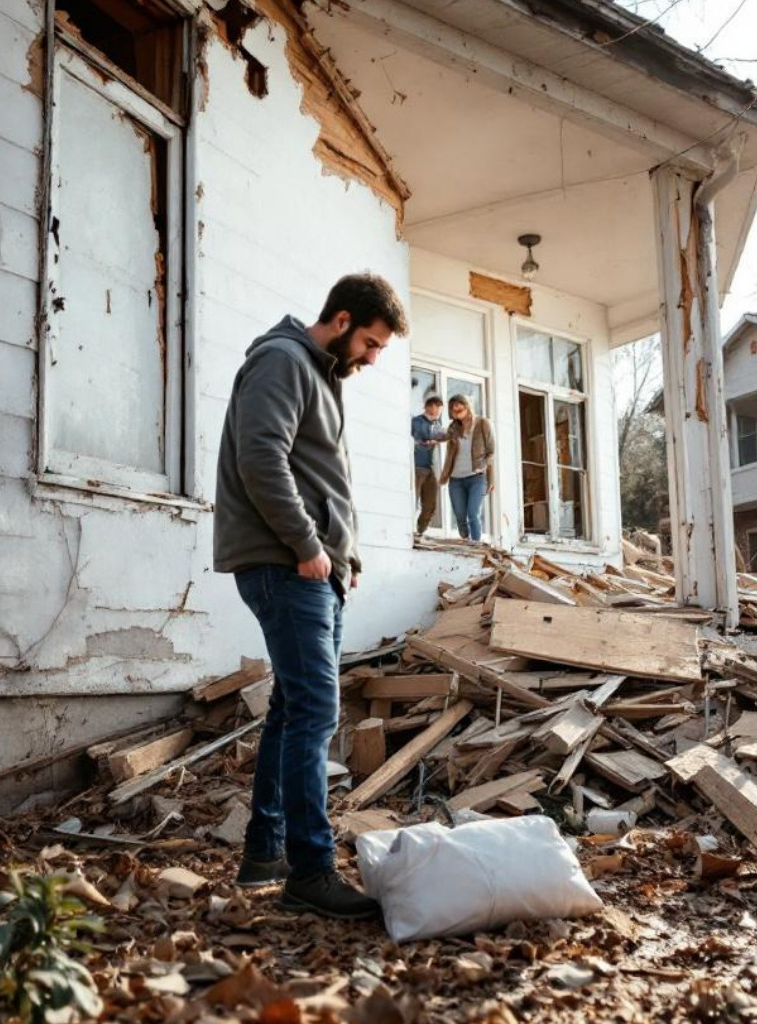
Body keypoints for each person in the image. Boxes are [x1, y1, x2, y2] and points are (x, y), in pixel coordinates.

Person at [213, 273, 408, 920]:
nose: (373, 359)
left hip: (309, 567)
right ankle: (311, 870)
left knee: (294, 708)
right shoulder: (282, 361)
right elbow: (260, 459)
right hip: (284, 565)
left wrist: (340, 556)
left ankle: (266, 853)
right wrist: (306, 546)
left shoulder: (318, 372)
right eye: (372, 344)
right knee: (318, 712)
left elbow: (315, 473)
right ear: (344, 319)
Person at [438, 393, 494, 541]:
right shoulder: (454, 428)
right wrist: (426, 434)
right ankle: (466, 542)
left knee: (473, 514)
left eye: (458, 405)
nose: (456, 409)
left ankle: (476, 546)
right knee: (460, 517)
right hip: (456, 479)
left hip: (476, 478)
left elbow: (491, 452)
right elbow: (441, 436)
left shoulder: (483, 424)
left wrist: (491, 479)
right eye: (453, 408)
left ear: (467, 405)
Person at [410, 395, 446, 535]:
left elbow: (442, 437)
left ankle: (420, 532)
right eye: (439, 409)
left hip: (430, 468)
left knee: (431, 504)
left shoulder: (436, 424)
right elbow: (415, 441)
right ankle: (411, 531)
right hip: (417, 466)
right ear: (431, 407)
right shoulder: (417, 422)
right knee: (413, 500)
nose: (440, 412)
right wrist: (428, 442)